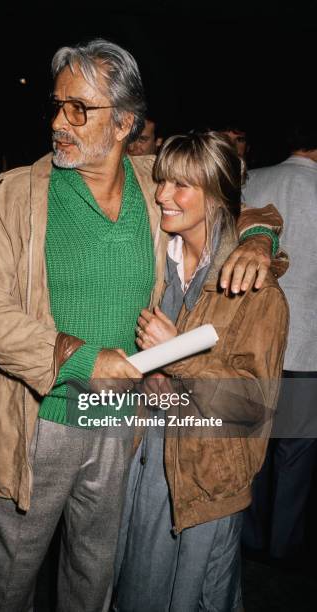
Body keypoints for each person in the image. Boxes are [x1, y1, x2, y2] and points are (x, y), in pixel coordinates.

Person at [0, 40, 285, 612]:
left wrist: (260, 239)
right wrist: (78, 357)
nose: (60, 121)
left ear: (125, 122)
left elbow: (227, 194)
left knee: (92, 583)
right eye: (58, 105)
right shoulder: (16, 196)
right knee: (2, 584)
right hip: (39, 420)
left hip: (120, 428)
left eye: (79, 108)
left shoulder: (152, 185)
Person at [113, 131, 289, 612]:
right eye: (162, 181)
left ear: (216, 194)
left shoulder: (255, 291)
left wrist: (180, 354)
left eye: (181, 186)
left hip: (205, 481)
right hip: (141, 461)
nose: (163, 195)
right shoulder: (155, 261)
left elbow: (252, 406)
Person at [242, 125, 317, 563]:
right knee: (296, 454)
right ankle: (282, 542)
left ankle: (247, 533)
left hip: (257, 342)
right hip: (309, 346)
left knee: (253, 444)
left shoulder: (255, 179)